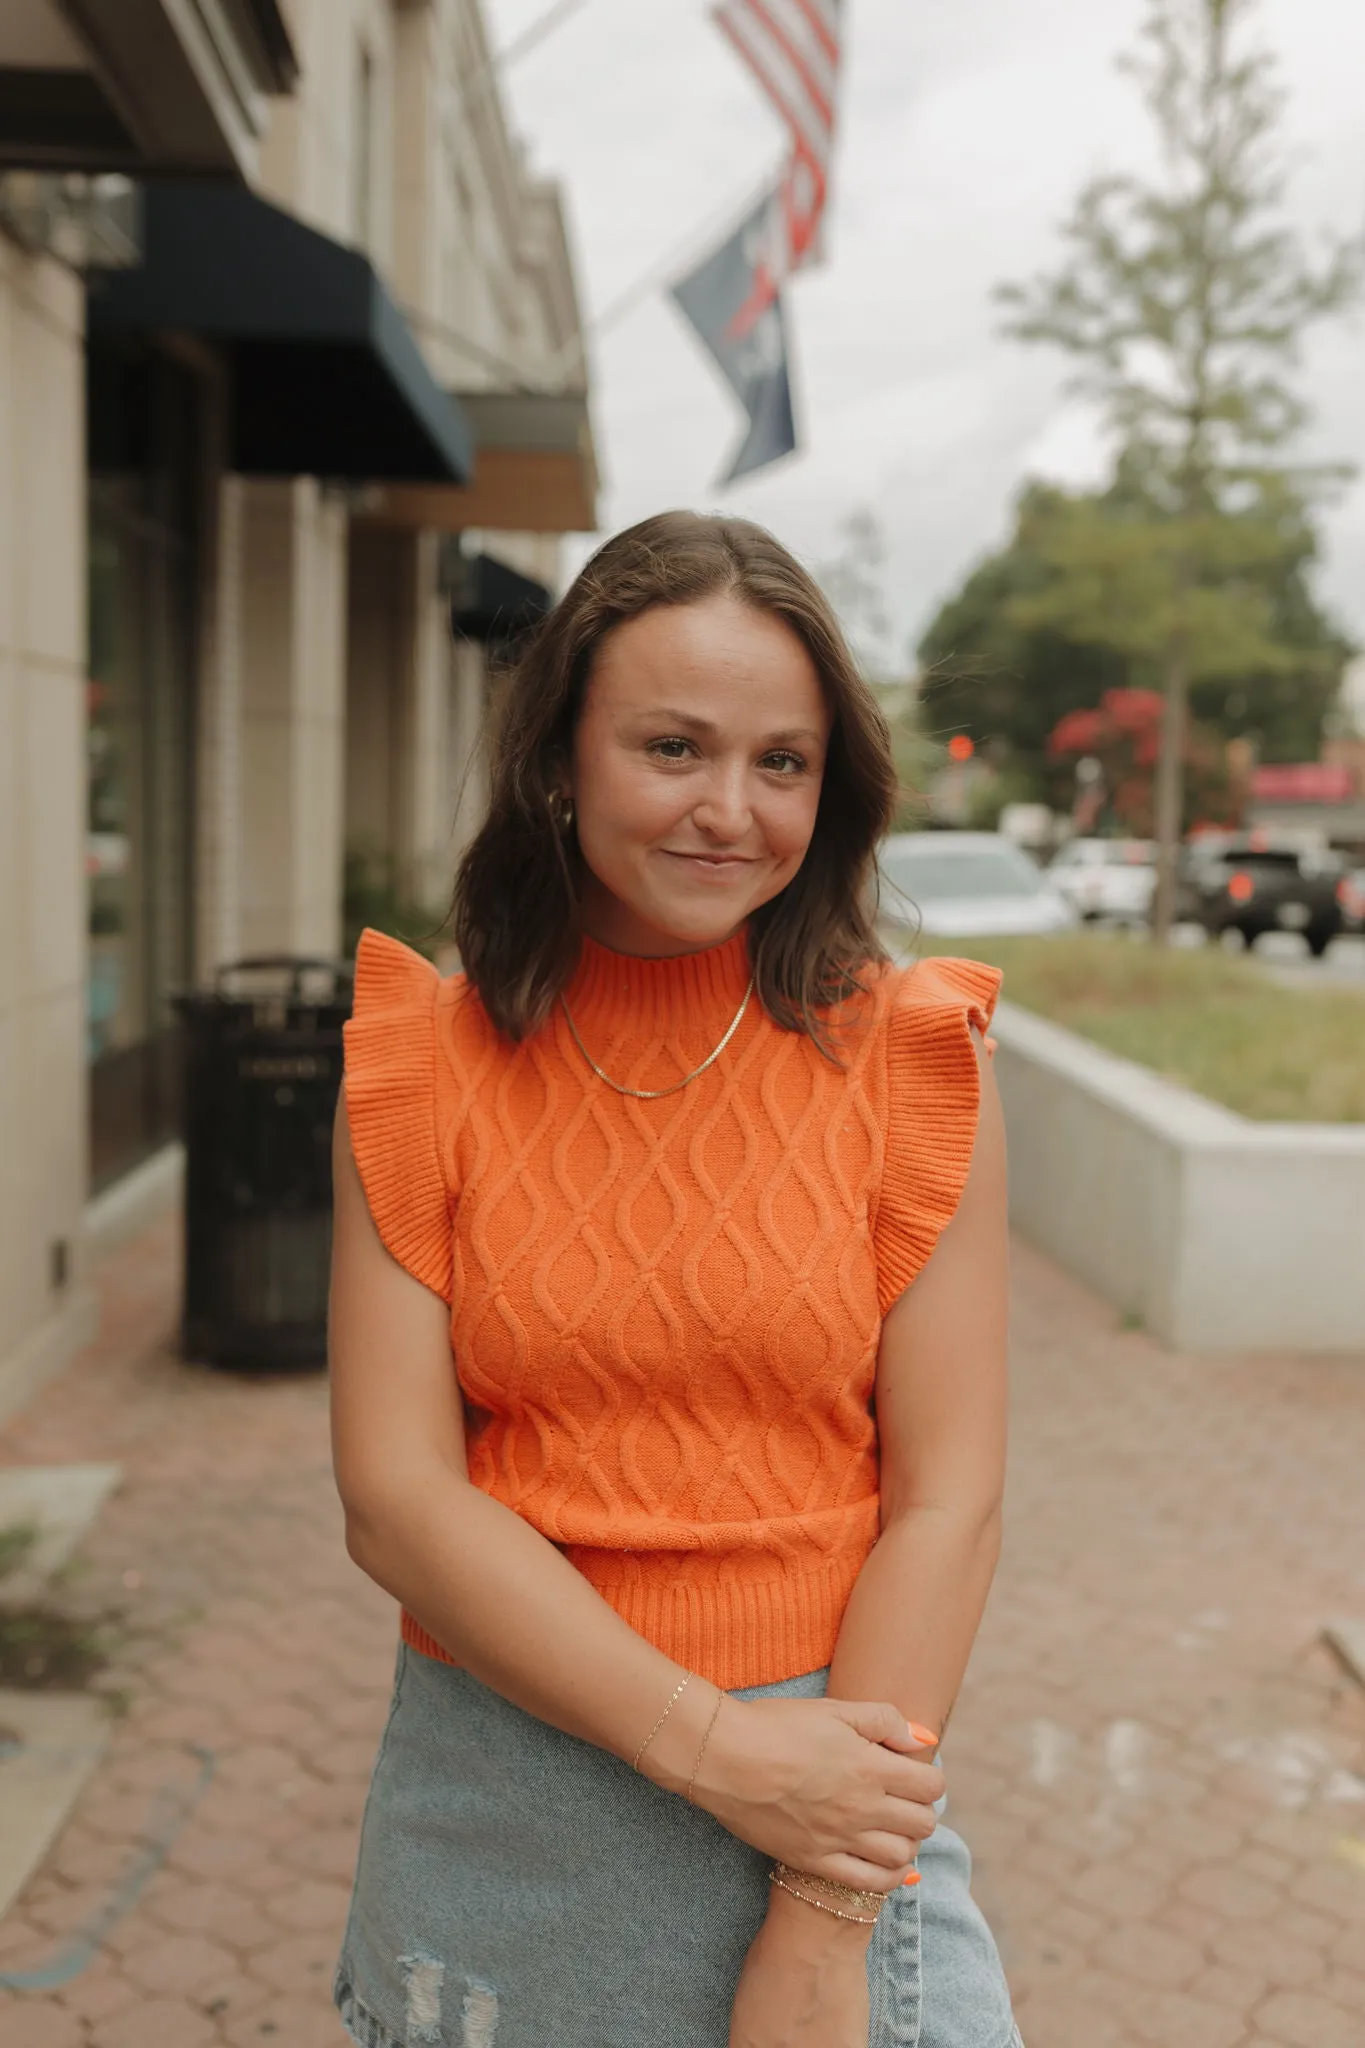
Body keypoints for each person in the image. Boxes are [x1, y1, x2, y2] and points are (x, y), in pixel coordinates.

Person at [328, 511, 1020, 2048]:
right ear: (561, 760)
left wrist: (824, 1928)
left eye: (783, 761)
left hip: (839, 1793)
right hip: (505, 1782)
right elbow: (395, 1496)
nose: (732, 810)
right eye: (673, 748)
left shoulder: (913, 1062)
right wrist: (716, 1750)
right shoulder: (418, 1064)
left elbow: (946, 1503)